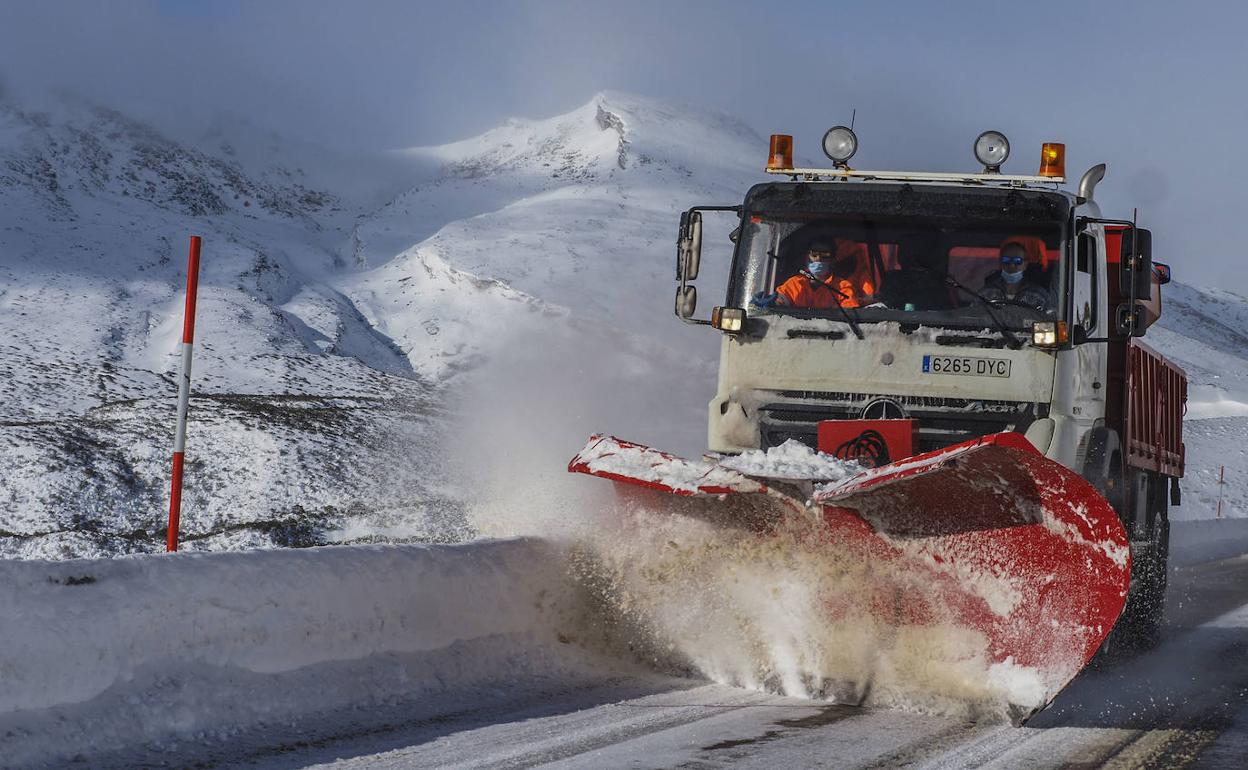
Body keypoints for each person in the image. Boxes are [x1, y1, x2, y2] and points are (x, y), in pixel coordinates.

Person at [758, 238, 876, 309]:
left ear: (833, 260)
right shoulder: (794, 284)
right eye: (814, 254)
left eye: (825, 256)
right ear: (807, 258)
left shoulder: (844, 287)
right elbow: (780, 302)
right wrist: (770, 304)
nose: (818, 259)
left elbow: (849, 316)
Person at [982, 237, 1053, 311]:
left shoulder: (1039, 296)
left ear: (1025, 265)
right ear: (1001, 263)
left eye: (1017, 261)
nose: (1011, 265)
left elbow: (1050, 319)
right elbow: (974, 316)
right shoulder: (986, 294)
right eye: (1006, 260)